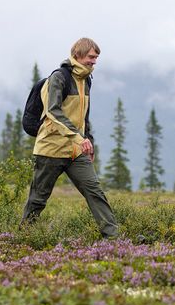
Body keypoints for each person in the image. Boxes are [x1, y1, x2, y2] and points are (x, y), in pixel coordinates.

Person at [21, 37, 119, 238]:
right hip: (51, 148)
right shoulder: (59, 77)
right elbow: (53, 112)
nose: (94, 62)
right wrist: (78, 137)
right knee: (38, 199)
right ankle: (24, 237)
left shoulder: (86, 80)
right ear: (78, 55)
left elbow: (84, 115)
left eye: (96, 58)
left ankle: (113, 238)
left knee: (95, 192)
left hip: (76, 151)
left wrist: (88, 141)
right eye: (91, 57)